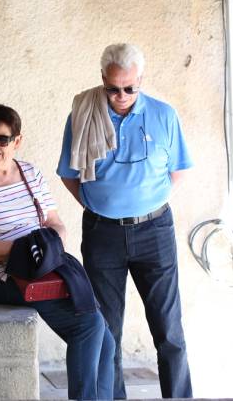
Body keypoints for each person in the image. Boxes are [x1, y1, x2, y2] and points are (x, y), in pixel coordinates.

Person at [57, 43, 193, 399]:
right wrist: (92, 203)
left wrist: (152, 203)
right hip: (103, 234)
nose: (121, 96)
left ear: (141, 81)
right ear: (103, 79)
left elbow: (178, 170)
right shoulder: (83, 115)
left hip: (154, 231)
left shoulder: (164, 115)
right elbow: (69, 173)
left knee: (169, 331)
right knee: (107, 332)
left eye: (129, 88)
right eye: (113, 88)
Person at [0, 104, 114, 401]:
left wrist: (53, 245)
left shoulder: (29, 172)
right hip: (3, 276)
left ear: (17, 141)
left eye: (1, 139)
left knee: (105, 340)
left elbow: (54, 223)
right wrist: (27, 250)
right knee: (89, 325)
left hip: (46, 265)